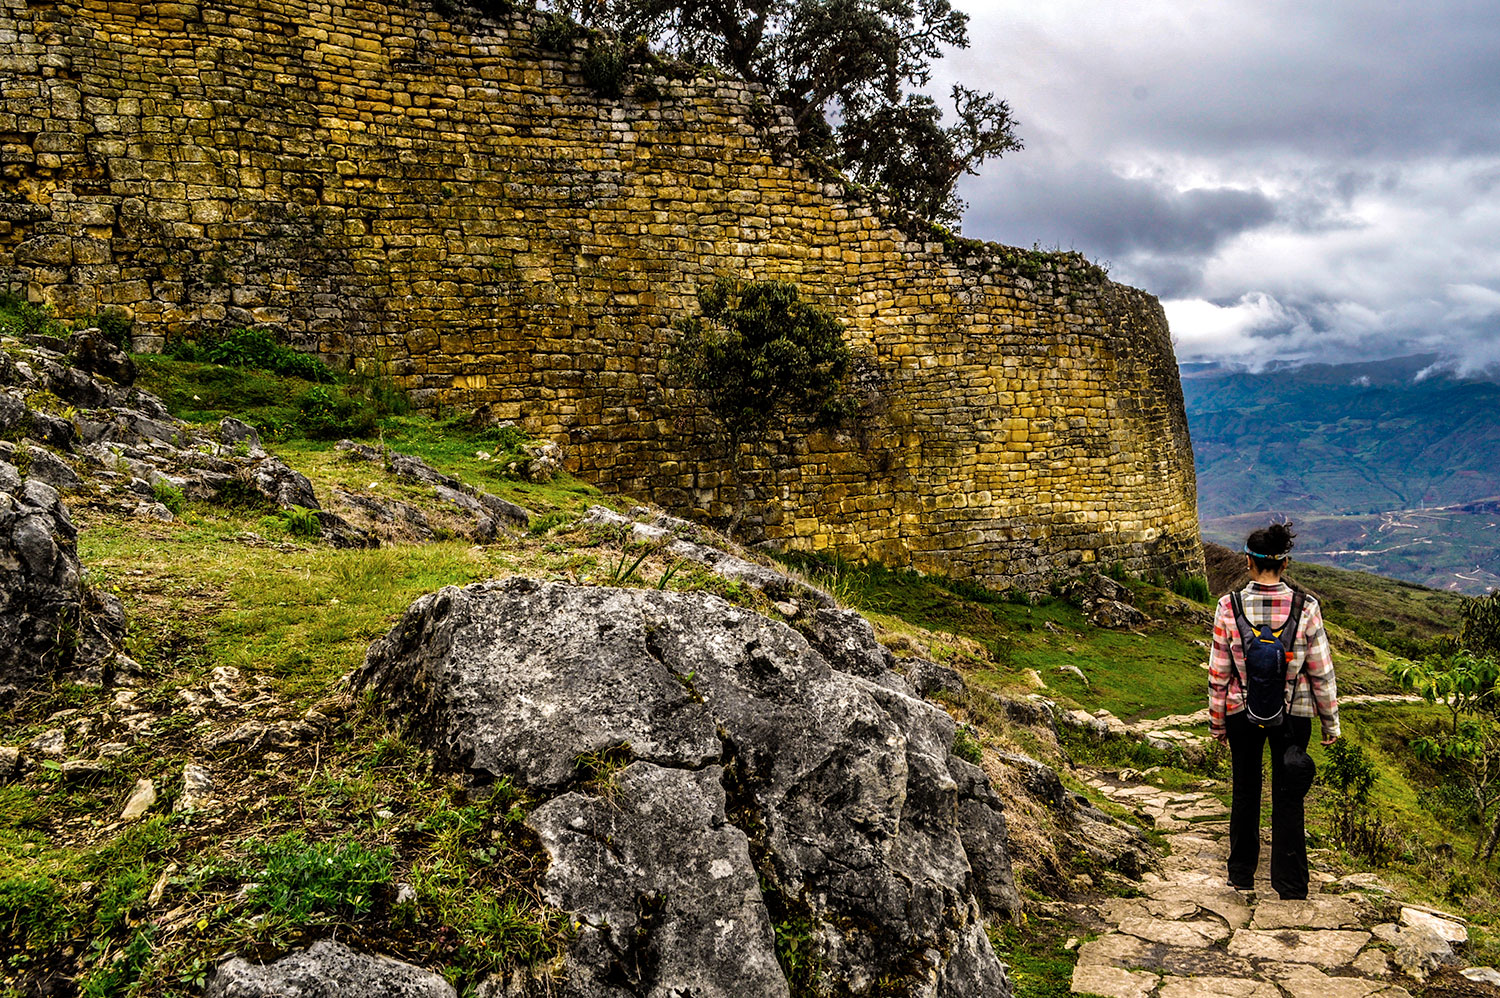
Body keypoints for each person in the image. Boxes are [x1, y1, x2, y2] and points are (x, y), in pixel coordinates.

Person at [1208, 522, 1340, 900]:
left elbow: (1219, 673)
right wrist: (1330, 723)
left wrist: (1218, 723)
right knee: (1289, 796)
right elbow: (1321, 671)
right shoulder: (1306, 607)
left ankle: (1241, 875)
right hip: (1293, 714)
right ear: (1284, 564)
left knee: (1245, 791)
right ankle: (1290, 884)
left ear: (1248, 562)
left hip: (1241, 711)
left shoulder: (1228, 606)